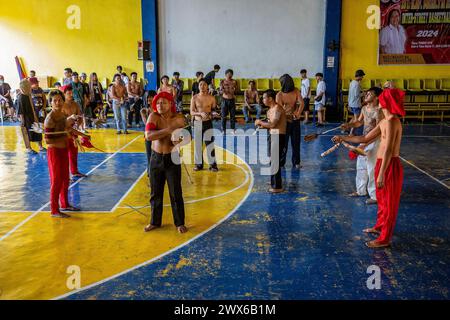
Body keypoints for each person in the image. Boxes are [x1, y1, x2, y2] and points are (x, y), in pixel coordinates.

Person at [332, 87, 405, 248]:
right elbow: (365, 137)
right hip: (382, 163)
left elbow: (388, 149)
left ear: (385, 102)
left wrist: (381, 174)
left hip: (389, 165)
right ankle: (379, 226)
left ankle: (385, 238)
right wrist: (343, 137)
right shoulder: (384, 121)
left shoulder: (392, 121)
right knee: (382, 200)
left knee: (389, 202)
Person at [144, 91, 188, 234]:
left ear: (170, 103)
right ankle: (154, 222)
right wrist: (168, 130)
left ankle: (179, 222)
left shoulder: (179, 118)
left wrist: (180, 140)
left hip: (173, 158)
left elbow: (187, 137)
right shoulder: (153, 116)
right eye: (157, 103)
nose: (159, 105)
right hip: (156, 158)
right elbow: (149, 136)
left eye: (163, 102)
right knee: (155, 192)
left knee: (176, 192)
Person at [45, 90, 87, 218]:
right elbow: (48, 140)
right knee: (56, 180)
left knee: (65, 179)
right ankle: (54, 210)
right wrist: (64, 134)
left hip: (64, 150)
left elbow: (69, 128)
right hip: (55, 153)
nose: (58, 102)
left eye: (60, 100)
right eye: (55, 100)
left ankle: (65, 204)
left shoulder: (62, 116)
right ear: (50, 103)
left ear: (63, 101)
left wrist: (83, 135)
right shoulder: (50, 119)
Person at [341, 87, 384, 205]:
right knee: (361, 167)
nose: (366, 95)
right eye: (367, 93)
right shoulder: (365, 108)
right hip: (365, 140)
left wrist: (366, 144)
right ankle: (360, 191)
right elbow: (359, 122)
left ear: (376, 98)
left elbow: (378, 131)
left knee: (371, 168)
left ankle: (374, 195)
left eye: (370, 94)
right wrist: (348, 125)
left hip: (374, 141)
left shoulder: (379, 111)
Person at [255, 89, 287, 193]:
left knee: (275, 161)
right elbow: (270, 126)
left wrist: (260, 121)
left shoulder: (277, 109)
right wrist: (262, 125)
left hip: (278, 136)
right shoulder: (270, 110)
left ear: (270, 99)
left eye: (264, 97)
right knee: (272, 160)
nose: (263, 99)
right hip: (273, 135)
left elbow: (273, 124)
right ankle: (273, 180)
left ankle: (277, 186)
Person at [190, 78, 219, 172]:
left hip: (208, 123)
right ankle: (199, 165)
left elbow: (214, 110)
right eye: (200, 84)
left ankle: (213, 165)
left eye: (204, 84)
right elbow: (191, 112)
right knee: (198, 145)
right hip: (198, 123)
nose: (202, 86)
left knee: (209, 144)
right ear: (198, 86)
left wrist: (214, 114)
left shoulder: (211, 98)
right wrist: (200, 113)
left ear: (207, 86)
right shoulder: (194, 98)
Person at [276, 74, 303, 169]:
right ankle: (281, 163)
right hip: (284, 122)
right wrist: (288, 115)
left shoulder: (296, 90)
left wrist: (298, 113)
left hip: (295, 121)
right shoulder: (279, 94)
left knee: (296, 143)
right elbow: (279, 110)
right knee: (284, 144)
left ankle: (296, 162)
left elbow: (301, 103)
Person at [61, 85, 87, 178]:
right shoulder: (61, 105)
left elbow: (80, 116)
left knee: (73, 153)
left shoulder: (75, 104)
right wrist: (70, 119)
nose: (71, 95)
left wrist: (78, 123)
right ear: (64, 94)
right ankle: (64, 174)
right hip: (63, 133)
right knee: (64, 155)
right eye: (68, 93)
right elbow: (62, 122)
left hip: (73, 132)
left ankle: (74, 171)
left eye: (72, 93)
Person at [17, 79, 45, 153]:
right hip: (26, 118)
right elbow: (21, 111)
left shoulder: (29, 95)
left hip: (33, 116)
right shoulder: (21, 97)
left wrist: (35, 115)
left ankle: (40, 146)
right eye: (28, 86)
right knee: (26, 132)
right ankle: (28, 148)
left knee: (37, 131)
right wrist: (22, 121)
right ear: (23, 88)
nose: (30, 87)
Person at [141, 90, 157, 166]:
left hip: (158, 135)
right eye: (147, 97)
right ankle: (149, 170)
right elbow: (147, 124)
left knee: (158, 155)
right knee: (149, 155)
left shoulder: (159, 108)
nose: (148, 99)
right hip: (149, 135)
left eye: (151, 97)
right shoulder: (144, 110)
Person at [219, 69, 238, 134]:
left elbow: (236, 90)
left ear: (232, 75)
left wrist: (234, 91)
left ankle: (232, 129)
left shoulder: (234, 82)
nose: (230, 76)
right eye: (228, 74)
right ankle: (223, 130)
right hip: (224, 100)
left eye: (231, 74)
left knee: (232, 116)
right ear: (226, 74)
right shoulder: (222, 81)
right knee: (223, 116)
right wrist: (222, 91)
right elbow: (220, 91)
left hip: (232, 100)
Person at [348, 70, 366, 136]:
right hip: (355, 104)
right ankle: (351, 133)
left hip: (351, 103)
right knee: (356, 119)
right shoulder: (357, 84)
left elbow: (350, 94)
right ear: (359, 76)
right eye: (362, 76)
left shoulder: (352, 82)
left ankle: (346, 128)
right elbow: (357, 95)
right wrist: (363, 94)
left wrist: (349, 104)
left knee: (354, 117)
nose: (362, 78)